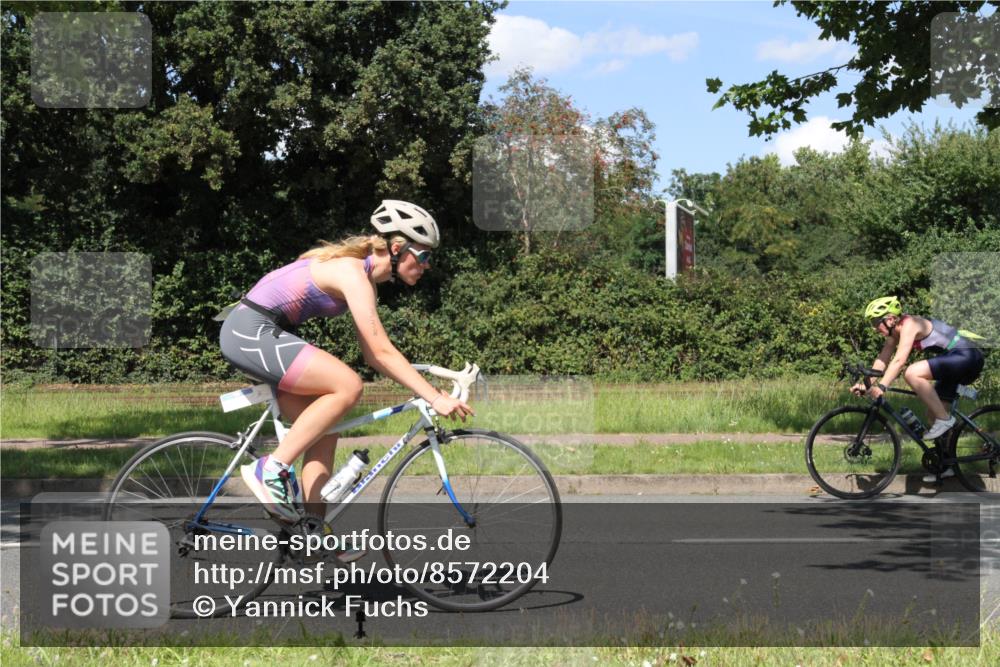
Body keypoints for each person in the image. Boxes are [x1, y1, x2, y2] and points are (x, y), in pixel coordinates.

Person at [219, 200, 473, 525]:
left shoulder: (360, 276)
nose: (426, 265)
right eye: (423, 256)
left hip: (262, 334)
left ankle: (311, 531)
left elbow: (373, 352)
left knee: (325, 431)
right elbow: (381, 351)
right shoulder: (351, 272)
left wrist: (419, 380)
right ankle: (270, 469)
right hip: (250, 332)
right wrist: (435, 398)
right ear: (397, 248)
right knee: (348, 385)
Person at [852, 296, 985, 480]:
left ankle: (945, 420)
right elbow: (883, 359)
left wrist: (882, 386)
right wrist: (865, 384)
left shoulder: (910, 324)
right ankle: (947, 466)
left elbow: (899, 360)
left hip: (967, 355)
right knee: (932, 416)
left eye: (876, 322)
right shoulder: (893, 334)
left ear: (890, 319)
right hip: (954, 362)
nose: (875, 328)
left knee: (912, 372)